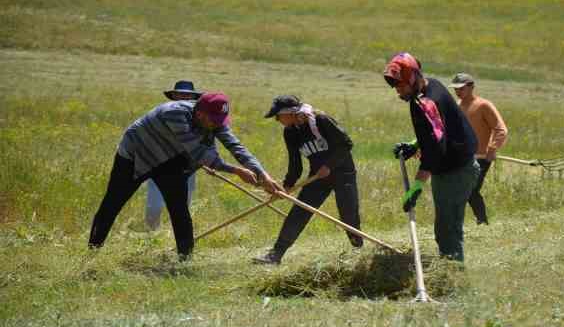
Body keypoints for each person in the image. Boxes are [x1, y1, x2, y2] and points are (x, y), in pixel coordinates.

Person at [88, 92, 281, 260]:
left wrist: (262, 174)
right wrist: (236, 171)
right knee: (113, 203)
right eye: (214, 120)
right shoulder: (173, 113)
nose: (217, 125)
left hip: (169, 160)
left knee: (179, 208)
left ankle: (185, 259)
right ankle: (92, 253)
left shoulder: (214, 121)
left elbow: (236, 147)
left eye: (220, 120)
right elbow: (198, 153)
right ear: (200, 113)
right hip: (136, 155)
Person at [383, 52, 479, 262]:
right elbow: (439, 128)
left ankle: (453, 282)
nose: (397, 90)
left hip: (456, 171)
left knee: (447, 231)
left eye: (400, 85)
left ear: (413, 78)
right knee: (446, 228)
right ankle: (453, 274)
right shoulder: (430, 86)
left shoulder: (425, 103)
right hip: (453, 166)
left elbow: (436, 148)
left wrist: (417, 186)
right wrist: (415, 144)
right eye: (395, 86)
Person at [253, 95, 363, 265]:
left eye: (278, 116)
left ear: (289, 112)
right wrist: (287, 186)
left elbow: (346, 144)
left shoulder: (321, 120)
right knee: (298, 213)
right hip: (316, 178)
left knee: (348, 214)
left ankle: (358, 251)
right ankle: (275, 255)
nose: (277, 120)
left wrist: (329, 165)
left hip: (343, 173)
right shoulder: (290, 132)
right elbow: (295, 163)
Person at [449, 73, 508, 225]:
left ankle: (482, 222)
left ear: (471, 87)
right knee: (460, 190)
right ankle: (460, 222)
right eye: (456, 89)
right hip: (463, 157)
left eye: (461, 88)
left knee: (472, 190)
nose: (458, 91)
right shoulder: (457, 106)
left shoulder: (484, 105)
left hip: (481, 158)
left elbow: (500, 129)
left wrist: (492, 148)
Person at [144, 80, 202, 231]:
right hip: (159, 167)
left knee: (182, 211)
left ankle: (172, 238)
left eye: (187, 95)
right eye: (180, 94)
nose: (183, 97)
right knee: (154, 208)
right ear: (174, 96)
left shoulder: (198, 119)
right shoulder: (161, 114)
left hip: (187, 171)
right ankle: (152, 236)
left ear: (193, 98)